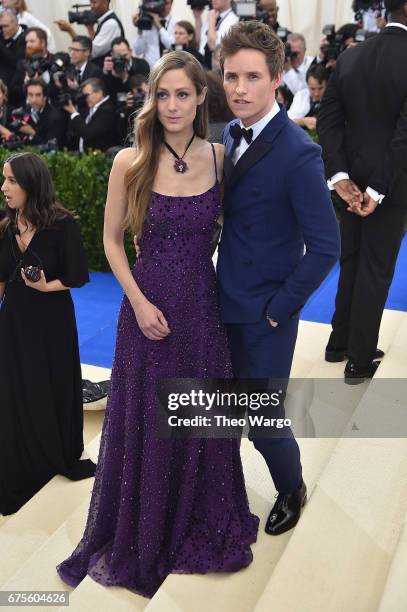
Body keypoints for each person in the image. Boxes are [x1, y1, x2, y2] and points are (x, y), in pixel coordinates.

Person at [57, 50, 258, 597]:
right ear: (152, 99)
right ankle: (142, 528)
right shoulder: (131, 158)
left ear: (200, 99)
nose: (172, 105)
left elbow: (241, 228)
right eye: (162, 94)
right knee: (145, 417)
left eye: (183, 94)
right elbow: (110, 240)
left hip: (201, 307)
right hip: (145, 308)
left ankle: (196, 514)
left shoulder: (220, 158)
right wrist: (140, 302)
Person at [218, 21, 340, 534]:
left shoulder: (298, 152)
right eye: (230, 77)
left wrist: (279, 308)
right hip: (222, 299)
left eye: (251, 77)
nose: (239, 89)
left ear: (276, 80)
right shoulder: (227, 133)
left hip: (266, 314)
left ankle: (292, 487)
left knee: (264, 422)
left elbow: (327, 246)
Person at [0, 152, 96, 516]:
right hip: (14, 322)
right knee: (16, 387)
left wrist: (44, 288)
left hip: (53, 319)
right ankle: (23, 444)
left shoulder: (62, 224)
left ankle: (53, 446)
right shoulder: (3, 226)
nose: (4, 187)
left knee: (52, 382)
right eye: (4, 179)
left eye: (11, 180)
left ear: (31, 184)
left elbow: (76, 276)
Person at [317, 0, 407, 383]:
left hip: (350, 178)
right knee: (375, 267)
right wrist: (379, 189)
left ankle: (339, 343)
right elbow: (404, 136)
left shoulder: (351, 56)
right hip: (393, 180)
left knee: (352, 260)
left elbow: (327, 118)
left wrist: (339, 176)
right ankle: (359, 356)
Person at [55, 0, 124, 67]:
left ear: (106, 2)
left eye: (94, 2)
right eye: (90, 2)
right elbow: (95, 44)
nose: (91, 6)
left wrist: (70, 30)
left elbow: (91, 51)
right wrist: (90, 29)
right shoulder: (104, 21)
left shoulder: (110, 24)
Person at [64, 77, 117, 152]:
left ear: (99, 92)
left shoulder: (107, 111)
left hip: (99, 158)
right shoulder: (90, 107)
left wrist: (73, 112)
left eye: (87, 95)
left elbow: (88, 134)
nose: (85, 98)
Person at [132, 0, 178, 68]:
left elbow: (172, 46)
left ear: (171, 4)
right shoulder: (146, 21)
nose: (162, 6)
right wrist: (140, 28)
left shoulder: (177, 22)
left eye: (165, 3)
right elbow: (138, 51)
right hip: (150, 70)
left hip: (170, 68)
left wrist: (159, 26)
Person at [103, 37, 149, 104]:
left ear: (130, 51)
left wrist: (125, 77)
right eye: (118, 56)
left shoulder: (141, 64)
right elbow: (105, 92)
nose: (122, 59)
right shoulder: (110, 67)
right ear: (112, 55)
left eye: (124, 55)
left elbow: (141, 90)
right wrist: (105, 72)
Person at [195, 0, 238, 69]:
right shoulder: (213, 15)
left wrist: (211, 23)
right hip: (202, 63)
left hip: (215, 66)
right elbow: (200, 44)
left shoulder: (234, 19)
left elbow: (213, 46)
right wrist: (197, 18)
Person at [288, 63, 330, 131]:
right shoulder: (301, 96)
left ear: (327, 85)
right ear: (307, 85)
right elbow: (287, 121)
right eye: (312, 89)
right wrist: (303, 122)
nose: (316, 93)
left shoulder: (333, 99)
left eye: (320, 88)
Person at [0, 8, 26, 89]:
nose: (3, 30)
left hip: (17, 89)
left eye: (6, 26)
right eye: (1, 27)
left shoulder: (26, 38)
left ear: (16, 24)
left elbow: (16, 62)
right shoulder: (2, 36)